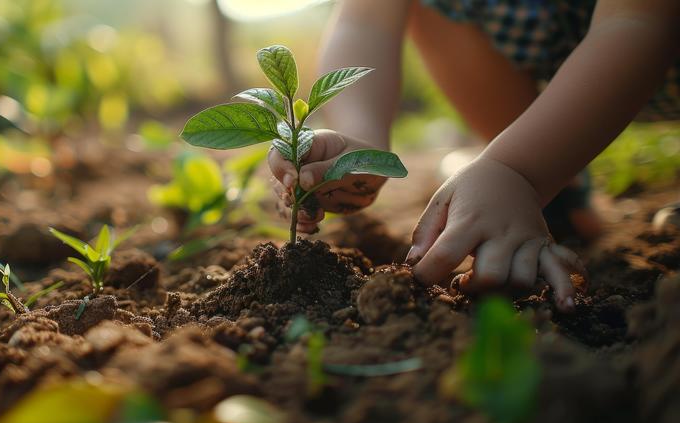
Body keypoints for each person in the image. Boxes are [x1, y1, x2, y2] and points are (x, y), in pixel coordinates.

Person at [268, 0, 680, 312]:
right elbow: (364, 20)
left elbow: (636, 21)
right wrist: (361, 142)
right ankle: (558, 193)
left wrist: (516, 172)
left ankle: (525, 177)